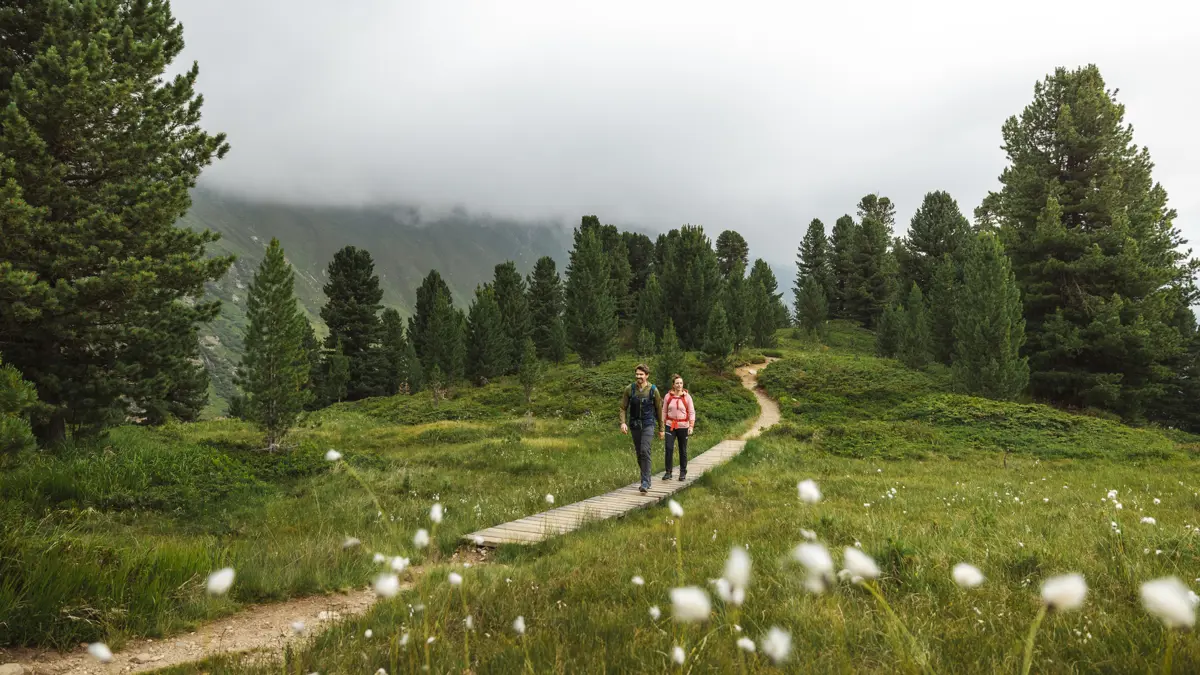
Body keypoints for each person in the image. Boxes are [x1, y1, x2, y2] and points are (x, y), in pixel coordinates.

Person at [619, 363, 663, 493]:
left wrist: (661, 429)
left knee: (645, 450)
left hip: (648, 424)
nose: (638, 376)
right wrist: (623, 422)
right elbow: (623, 407)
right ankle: (646, 477)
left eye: (641, 374)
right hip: (635, 425)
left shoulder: (653, 390)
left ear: (647, 375)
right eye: (637, 374)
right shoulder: (629, 389)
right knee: (639, 454)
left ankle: (644, 482)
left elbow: (659, 409)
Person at [662, 374, 695, 481]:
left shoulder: (687, 397)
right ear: (673, 385)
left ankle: (683, 471)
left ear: (683, 384)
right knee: (669, 448)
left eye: (681, 383)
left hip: (683, 426)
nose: (679, 385)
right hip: (670, 425)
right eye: (677, 383)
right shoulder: (668, 396)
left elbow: (691, 412)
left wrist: (691, 426)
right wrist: (662, 426)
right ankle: (668, 472)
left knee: (683, 449)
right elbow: (664, 411)